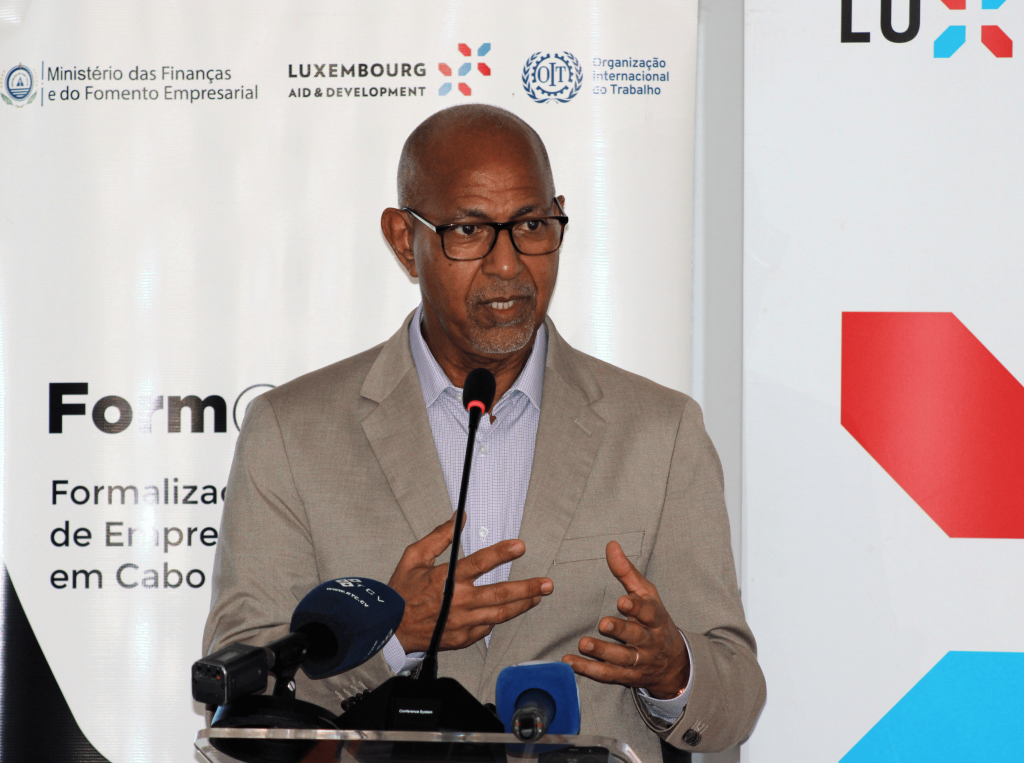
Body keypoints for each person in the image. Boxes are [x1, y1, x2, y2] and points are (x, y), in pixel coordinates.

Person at [204, 104, 765, 760]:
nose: (507, 264)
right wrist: (393, 640)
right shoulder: (291, 433)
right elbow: (242, 704)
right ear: (402, 239)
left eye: (531, 225)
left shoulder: (660, 432)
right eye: (468, 230)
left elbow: (735, 696)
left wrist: (673, 670)